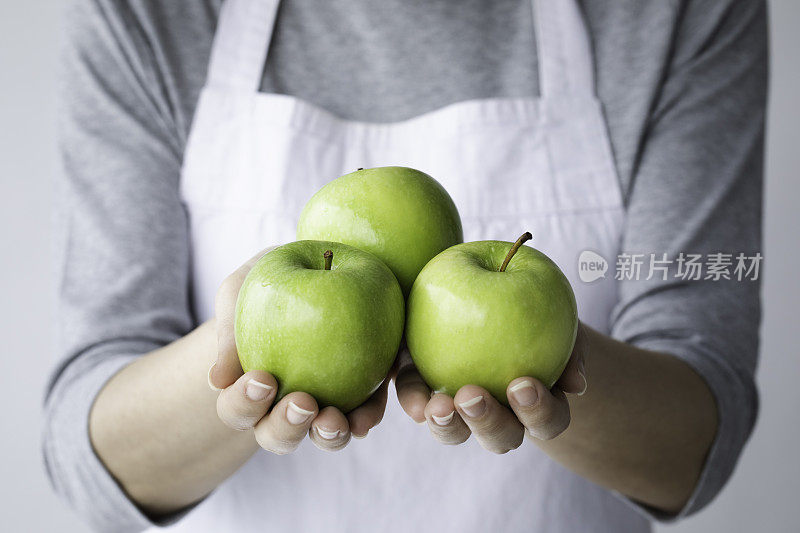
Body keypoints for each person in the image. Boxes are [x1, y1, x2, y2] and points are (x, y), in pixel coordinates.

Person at [44, 0, 766, 532]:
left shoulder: (682, 14)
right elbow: (87, 456)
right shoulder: (145, 15)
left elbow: (701, 437)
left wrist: (544, 355)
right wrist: (240, 350)